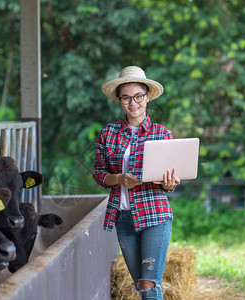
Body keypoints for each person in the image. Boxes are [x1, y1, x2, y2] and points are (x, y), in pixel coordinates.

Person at [92, 66, 180, 299]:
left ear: (147, 97)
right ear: (120, 100)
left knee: (150, 286)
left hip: (155, 216)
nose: (133, 103)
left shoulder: (162, 134)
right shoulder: (108, 134)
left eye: (138, 96)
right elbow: (99, 173)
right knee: (142, 286)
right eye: (126, 97)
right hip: (124, 219)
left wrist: (170, 184)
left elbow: (168, 183)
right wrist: (119, 179)